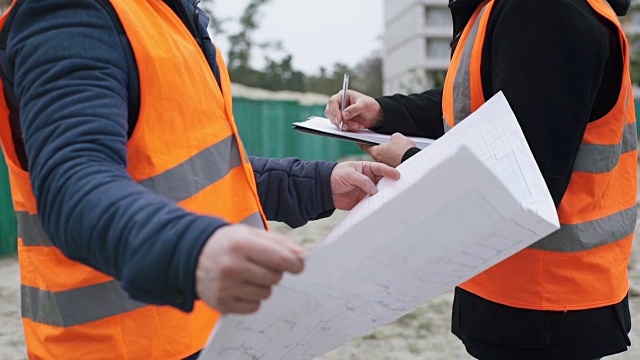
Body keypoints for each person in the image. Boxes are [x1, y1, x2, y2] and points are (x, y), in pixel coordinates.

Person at [0, 0, 400, 359]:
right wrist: (191, 251)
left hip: (208, 334)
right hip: (121, 347)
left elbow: (195, 171)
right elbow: (74, 188)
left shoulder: (168, 17)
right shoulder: (71, 17)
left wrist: (317, 181)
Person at [325, 0, 637, 358]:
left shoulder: (545, 11)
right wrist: (385, 113)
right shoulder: (509, 10)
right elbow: (484, 109)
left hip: (544, 306)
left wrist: (410, 161)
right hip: (525, 297)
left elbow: (525, 180)